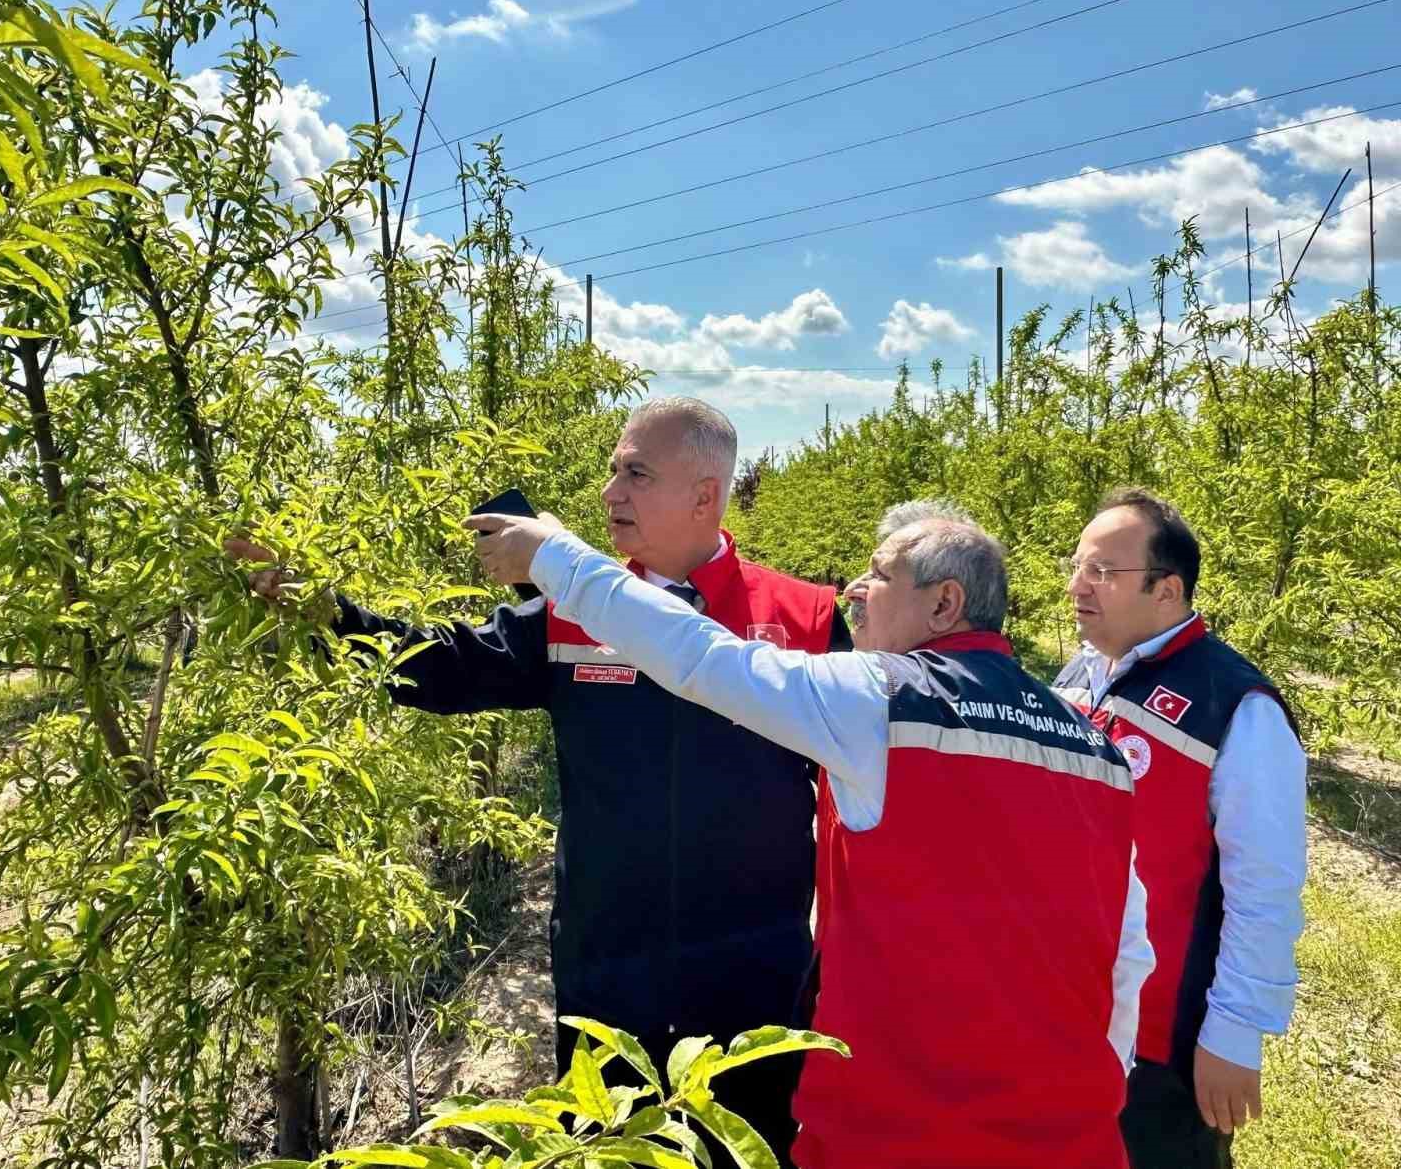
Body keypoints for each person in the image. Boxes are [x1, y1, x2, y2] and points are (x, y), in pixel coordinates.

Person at [229, 397, 850, 1167]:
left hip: (755, 983)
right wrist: (321, 611)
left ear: (704, 494)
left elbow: (864, 797)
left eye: (635, 472)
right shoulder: (568, 613)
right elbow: (434, 666)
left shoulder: (807, 619)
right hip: (608, 977)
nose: (608, 491)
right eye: (613, 469)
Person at [467, 499, 1155, 1169]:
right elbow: (1129, 960)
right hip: (1071, 1136)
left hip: (896, 1131)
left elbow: (700, 657)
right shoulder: (1094, 748)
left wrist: (554, 556)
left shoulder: (881, 700)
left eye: (881, 574)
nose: (856, 590)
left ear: (945, 604)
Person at [1052, 489, 1306, 1169]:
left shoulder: (1237, 705)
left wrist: (1236, 1030)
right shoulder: (1078, 676)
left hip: (1163, 1039)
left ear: (1167, 590)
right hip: (1066, 1005)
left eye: (1103, 571)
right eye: (1077, 565)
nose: (1077, 585)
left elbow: (1267, 888)